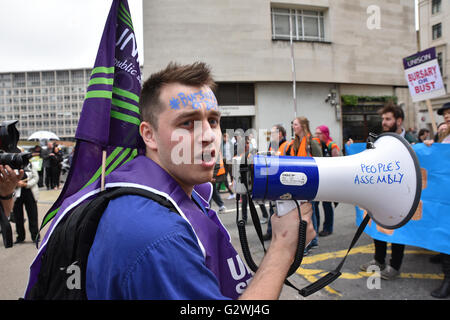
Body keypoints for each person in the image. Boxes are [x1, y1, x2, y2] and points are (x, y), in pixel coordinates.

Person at [85, 62, 311, 300]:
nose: (208, 136)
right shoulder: (159, 236)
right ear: (149, 135)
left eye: (212, 121)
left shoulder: (175, 195)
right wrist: (283, 248)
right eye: (187, 123)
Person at [359, 102, 409, 280]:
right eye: (383, 119)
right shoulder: (379, 140)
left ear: (399, 120)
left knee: (398, 230)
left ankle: (395, 266)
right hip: (381, 194)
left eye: (388, 119)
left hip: (402, 196)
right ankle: (378, 260)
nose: (384, 122)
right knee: (378, 227)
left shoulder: (412, 141)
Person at [421, 102, 450, 298]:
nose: (447, 116)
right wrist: (432, 146)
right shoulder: (444, 135)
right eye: (445, 113)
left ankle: (448, 280)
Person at [285, 117, 322, 255]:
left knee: (306, 212)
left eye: (295, 124)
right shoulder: (295, 143)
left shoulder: (311, 142)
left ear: (302, 126)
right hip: (298, 180)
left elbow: (320, 161)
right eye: (293, 124)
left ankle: (308, 241)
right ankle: (313, 240)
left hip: (309, 181)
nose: (293, 127)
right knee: (306, 212)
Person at [313, 125, 341, 237]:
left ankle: (328, 228)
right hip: (318, 178)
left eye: (319, 133)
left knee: (327, 205)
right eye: (316, 133)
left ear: (325, 134)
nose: (316, 135)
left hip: (328, 180)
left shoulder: (332, 145)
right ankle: (315, 227)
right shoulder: (315, 144)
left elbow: (337, 164)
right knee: (314, 205)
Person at [12, 162, 40, 244]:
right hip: (17, 193)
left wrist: (26, 184)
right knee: (18, 216)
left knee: (33, 215)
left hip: (29, 192)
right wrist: (15, 183)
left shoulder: (30, 165)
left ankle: (35, 236)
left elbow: (36, 178)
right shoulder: (11, 166)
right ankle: (20, 237)